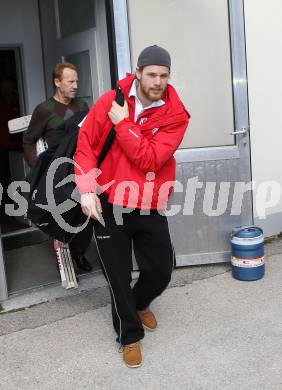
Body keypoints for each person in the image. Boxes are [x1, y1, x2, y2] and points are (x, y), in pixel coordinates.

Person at [74, 45, 190, 367]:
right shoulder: (110, 101)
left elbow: (150, 159)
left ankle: (140, 303)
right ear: (138, 72)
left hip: (148, 203)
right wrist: (86, 189)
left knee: (161, 269)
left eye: (164, 75)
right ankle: (129, 336)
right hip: (109, 203)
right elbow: (85, 147)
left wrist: (123, 124)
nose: (157, 81)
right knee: (118, 275)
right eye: (151, 74)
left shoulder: (175, 115)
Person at [23, 63, 92, 272]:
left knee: (83, 215)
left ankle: (78, 252)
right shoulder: (44, 110)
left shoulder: (82, 106)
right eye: (70, 81)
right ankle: (64, 257)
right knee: (61, 216)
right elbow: (29, 140)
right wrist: (38, 166)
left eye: (77, 81)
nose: (75, 86)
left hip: (78, 169)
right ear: (57, 82)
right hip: (56, 171)